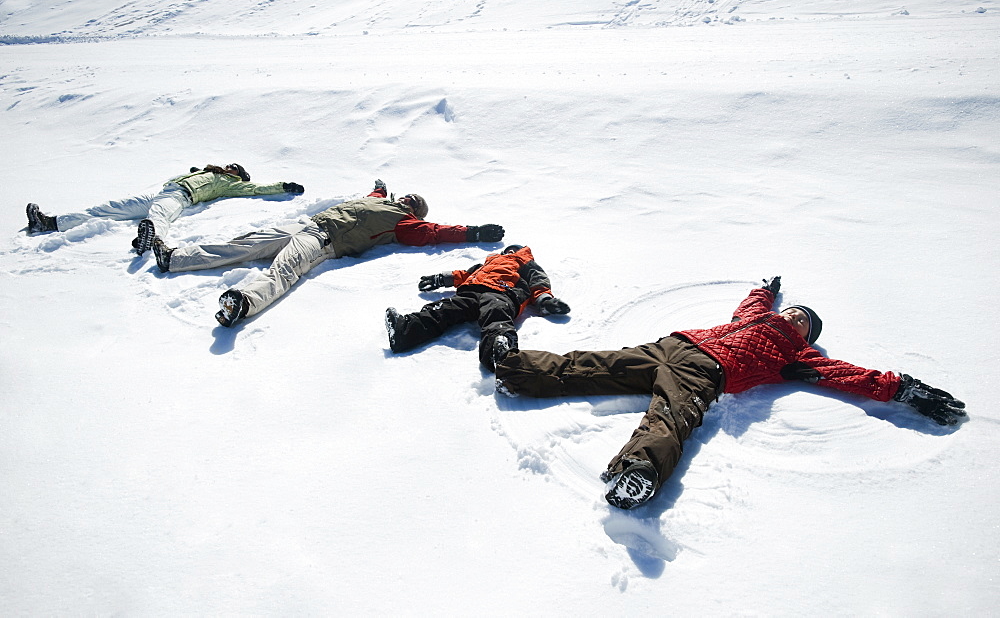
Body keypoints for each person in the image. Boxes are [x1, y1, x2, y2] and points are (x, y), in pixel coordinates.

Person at [493, 276, 965, 510]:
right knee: (593, 364)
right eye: (796, 312)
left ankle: (640, 472)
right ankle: (513, 367)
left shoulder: (797, 357)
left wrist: (902, 388)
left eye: (805, 321)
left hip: (706, 372)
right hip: (675, 345)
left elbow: (849, 374)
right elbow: (753, 303)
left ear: (807, 335)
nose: (796, 318)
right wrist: (767, 290)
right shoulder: (754, 317)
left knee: (671, 417)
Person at [152, 179, 505, 327]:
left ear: (416, 213)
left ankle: (243, 302)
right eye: (409, 196)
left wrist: (473, 232)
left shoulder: (406, 224)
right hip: (306, 224)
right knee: (242, 244)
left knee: (284, 270)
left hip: (325, 241)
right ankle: (175, 259)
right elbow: (374, 194)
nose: (409, 200)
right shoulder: (381, 201)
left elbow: (437, 234)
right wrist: (380, 188)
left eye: (415, 204)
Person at [24, 163, 304, 254]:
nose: (230, 167)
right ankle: (49, 223)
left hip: (182, 196)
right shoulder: (204, 170)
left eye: (235, 168)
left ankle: (151, 239)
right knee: (108, 208)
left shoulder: (230, 183)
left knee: (159, 216)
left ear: (237, 175)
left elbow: (256, 189)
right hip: (163, 191)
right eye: (231, 164)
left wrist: (283, 186)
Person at [384, 245, 571, 370]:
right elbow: (464, 274)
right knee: (445, 308)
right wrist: (440, 278)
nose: (508, 253)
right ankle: (405, 330)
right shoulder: (487, 264)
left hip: (502, 292)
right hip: (470, 292)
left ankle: (500, 349)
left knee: (496, 313)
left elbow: (538, 281)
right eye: (507, 251)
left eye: (513, 250)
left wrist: (545, 301)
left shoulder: (523, 262)